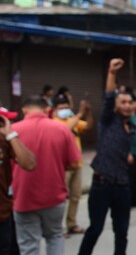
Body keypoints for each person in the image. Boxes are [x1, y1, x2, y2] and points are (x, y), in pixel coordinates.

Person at [78, 59, 135, 255]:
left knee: (122, 232)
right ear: (116, 106)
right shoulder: (108, 120)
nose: (127, 106)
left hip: (122, 186)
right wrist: (111, 73)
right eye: (123, 102)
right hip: (102, 185)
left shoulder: (131, 127)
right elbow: (109, 96)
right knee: (95, 229)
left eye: (129, 102)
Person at [13, 97, 80, 255]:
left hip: (23, 196)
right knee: (55, 236)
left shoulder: (12, 132)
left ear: (24, 110)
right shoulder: (61, 129)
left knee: (28, 243)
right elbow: (74, 163)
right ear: (47, 110)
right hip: (54, 196)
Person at [51, 95, 92, 236]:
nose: (64, 109)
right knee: (61, 198)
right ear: (54, 110)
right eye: (61, 107)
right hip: (62, 166)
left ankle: (72, 224)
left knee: (75, 196)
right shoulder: (54, 122)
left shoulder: (72, 120)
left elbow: (87, 126)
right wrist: (80, 113)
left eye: (66, 106)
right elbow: (65, 129)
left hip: (77, 164)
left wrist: (88, 113)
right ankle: (57, 228)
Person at [0, 107, 36, 254]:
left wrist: (10, 135)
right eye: (7, 121)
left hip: (3, 215)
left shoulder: (5, 142)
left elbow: (29, 163)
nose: (11, 124)